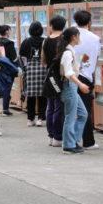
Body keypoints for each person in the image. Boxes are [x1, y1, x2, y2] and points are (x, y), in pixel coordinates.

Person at [57, 27, 90, 154]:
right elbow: (68, 73)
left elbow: (71, 70)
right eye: (78, 36)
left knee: (82, 114)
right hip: (69, 86)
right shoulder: (67, 53)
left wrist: (81, 62)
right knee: (70, 117)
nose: (79, 38)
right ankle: (68, 145)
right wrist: (81, 84)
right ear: (73, 37)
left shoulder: (70, 51)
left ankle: (73, 141)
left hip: (72, 86)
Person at [72, 10, 101, 149]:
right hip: (86, 76)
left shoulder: (70, 35)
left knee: (70, 110)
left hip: (71, 75)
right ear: (89, 22)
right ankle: (88, 141)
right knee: (85, 110)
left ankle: (68, 139)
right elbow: (97, 56)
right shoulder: (95, 38)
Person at [42, 15, 66, 146]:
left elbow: (43, 60)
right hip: (60, 77)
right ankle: (58, 137)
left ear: (51, 26)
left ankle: (51, 136)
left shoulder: (46, 40)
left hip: (49, 76)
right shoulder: (63, 39)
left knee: (50, 107)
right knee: (59, 107)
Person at [19, 21, 46, 128]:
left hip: (30, 70)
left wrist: (24, 68)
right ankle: (40, 118)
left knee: (30, 95)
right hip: (43, 69)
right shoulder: (44, 41)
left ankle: (30, 119)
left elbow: (21, 56)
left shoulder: (26, 41)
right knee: (42, 95)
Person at [0, 25, 17, 116]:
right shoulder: (9, 43)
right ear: (7, 31)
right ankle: (5, 109)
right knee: (7, 88)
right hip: (8, 68)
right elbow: (13, 57)